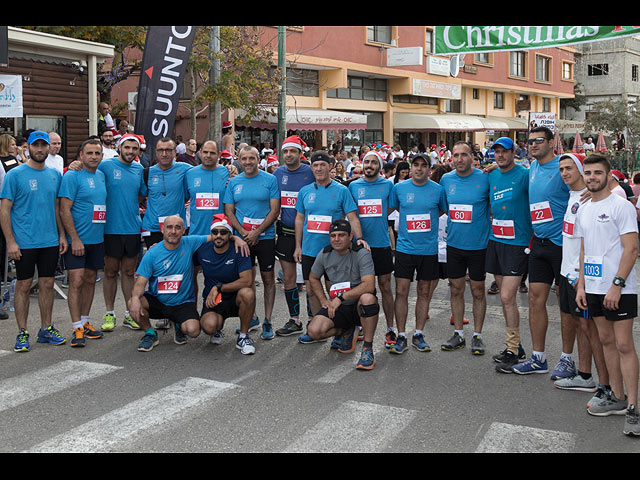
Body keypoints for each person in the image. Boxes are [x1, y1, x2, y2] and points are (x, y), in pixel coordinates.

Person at [575, 153, 640, 436]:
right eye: (588, 173)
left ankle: (634, 409)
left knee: (624, 344)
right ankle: (617, 396)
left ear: (608, 175)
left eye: (597, 173)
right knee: (605, 340)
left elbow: (632, 249)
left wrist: (617, 284)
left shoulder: (621, 206)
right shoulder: (584, 207)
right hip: (593, 286)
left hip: (619, 288)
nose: (592, 178)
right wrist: (581, 285)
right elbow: (584, 248)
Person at [0, 131, 68, 352]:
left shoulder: (55, 175)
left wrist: (61, 235)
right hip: (24, 242)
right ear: (27, 148)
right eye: (35, 145)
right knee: (23, 286)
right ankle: (22, 332)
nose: (40, 149)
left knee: (48, 284)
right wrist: (10, 241)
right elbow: (5, 210)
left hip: (49, 240)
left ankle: (46, 329)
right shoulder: (15, 175)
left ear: (49, 148)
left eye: (43, 146)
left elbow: (57, 208)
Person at [512, 127, 571, 375]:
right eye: (530, 141)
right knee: (535, 299)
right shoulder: (532, 168)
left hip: (562, 245)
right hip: (539, 243)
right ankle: (539, 358)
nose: (533, 145)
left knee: (565, 303)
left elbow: (584, 187)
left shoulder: (562, 167)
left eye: (538, 141)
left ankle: (567, 359)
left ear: (550, 142)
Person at [294, 150, 368, 343]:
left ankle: (341, 326)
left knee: (336, 290)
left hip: (336, 251)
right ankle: (317, 321)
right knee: (311, 289)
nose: (319, 168)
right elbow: (300, 219)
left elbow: (352, 216)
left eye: (322, 165)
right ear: (311, 168)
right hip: (310, 250)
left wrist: (359, 239)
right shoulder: (305, 191)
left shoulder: (342, 190)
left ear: (330, 167)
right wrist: (297, 246)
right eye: (315, 165)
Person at [553, 153, 609, 397]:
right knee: (580, 325)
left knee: (592, 330)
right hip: (567, 273)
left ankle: (606, 384)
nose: (565, 173)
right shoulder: (572, 196)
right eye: (562, 169)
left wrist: (581, 276)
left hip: (581, 276)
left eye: (570, 168)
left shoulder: (590, 197)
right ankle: (585, 375)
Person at [387, 154, 447, 354]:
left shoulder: (438, 190)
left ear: (429, 169)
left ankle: (419, 333)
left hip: (428, 250)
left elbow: (441, 211)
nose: (419, 169)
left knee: (423, 293)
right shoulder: (399, 188)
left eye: (424, 165)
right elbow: (390, 210)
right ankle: (402, 335)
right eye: (416, 165)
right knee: (401, 292)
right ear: (410, 168)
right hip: (404, 249)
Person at [128, 215, 213, 352]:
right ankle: (150, 333)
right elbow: (140, 283)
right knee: (133, 302)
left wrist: (237, 238)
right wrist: (136, 298)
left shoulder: (190, 242)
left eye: (177, 227)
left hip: (183, 303)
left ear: (184, 230)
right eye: (169, 227)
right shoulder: (152, 253)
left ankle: (178, 325)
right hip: (159, 302)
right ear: (162, 230)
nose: (173, 231)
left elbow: (216, 236)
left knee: (193, 331)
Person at [484, 138, 532, 372]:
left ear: (514, 152)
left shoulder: (524, 175)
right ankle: (515, 346)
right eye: (497, 152)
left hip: (518, 243)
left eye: (505, 152)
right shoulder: (491, 175)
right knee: (507, 300)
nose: (500, 156)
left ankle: (514, 348)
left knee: (506, 297)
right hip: (496, 241)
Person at [306, 219, 379, 370]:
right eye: (333, 235)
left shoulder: (361, 253)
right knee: (314, 331)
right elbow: (313, 278)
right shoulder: (325, 253)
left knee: (368, 298)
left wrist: (340, 298)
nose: (337, 239)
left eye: (341, 235)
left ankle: (367, 349)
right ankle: (347, 330)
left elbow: (369, 285)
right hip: (338, 305)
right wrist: (323, 300)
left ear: (350, 236)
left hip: (357, 304)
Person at [439, 141, 491, 355]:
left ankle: (477, 335)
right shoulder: (446, 179)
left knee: (478, 291)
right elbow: (441, 207)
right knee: (456, 289)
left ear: (472, 157)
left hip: (479, 245)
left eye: (463, 155)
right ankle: (458, 333)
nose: (459, 159)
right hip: (454, 245)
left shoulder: (485, 178)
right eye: (455, 155)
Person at [223, 145, 280, 337]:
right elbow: (229, 211)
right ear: (239, 159)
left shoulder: (270, 180)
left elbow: (274, 210)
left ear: (258, 159)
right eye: (244, 158)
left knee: (268, 278)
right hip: (241, 239)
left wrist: (257, 232)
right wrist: (243, 232)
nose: (247, 162)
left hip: (265, 237)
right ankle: (251, 317)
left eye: (251, 158)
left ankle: (268, 321)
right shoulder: (234, 182)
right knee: (246, 280)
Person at [58, 138, 106, 347]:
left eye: (97, 153)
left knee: (90, 280)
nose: (93, 157)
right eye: (89, 153)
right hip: (77, 240)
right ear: (81, 156)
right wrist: (74, 238)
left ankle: (85, 322)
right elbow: (63, 209)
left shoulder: (102, 175)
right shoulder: (72, 175)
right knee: (76, 282)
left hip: (97, 239)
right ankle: (76, 326)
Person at [97, 133, 147, 331]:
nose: (130, 152)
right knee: (110, 272)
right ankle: (109, 314)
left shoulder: (139, 169)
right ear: (120, 147)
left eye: (134, 148)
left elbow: (142, 194)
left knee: (128, 272)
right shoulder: (106, 166)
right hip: (110, 228)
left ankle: (129, 313)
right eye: (127, 147)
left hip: (132, 228)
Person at [348, 151, 395, 348]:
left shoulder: (388, 185)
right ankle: (359, 325)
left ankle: (390, 329)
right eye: (367, 162)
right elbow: (350, 213)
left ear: (380, 166)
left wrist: (378, 220)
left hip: (381, 244)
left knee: (385, 287)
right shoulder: (353, 186)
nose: (369, 165)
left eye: (374, 162)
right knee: (359, 288)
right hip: (359, 246)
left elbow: (390, 208)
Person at [196, 214, 256, 355]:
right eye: (215, 232)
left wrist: (219, 287)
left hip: (235, 299)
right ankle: (218, 327)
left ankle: (243, 337)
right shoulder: (202, 250)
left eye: (223, 232)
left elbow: (247, 280)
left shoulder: (240, 249)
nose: (219, 235)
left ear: (230, 234)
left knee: (248, 293)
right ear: (210, 234)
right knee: (208, 327)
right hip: (214, 301)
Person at [273, 135, 314, 338]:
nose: (288, 155)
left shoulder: (310, 171)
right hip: (286, 233)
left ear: (300, 153)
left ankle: (313, 320)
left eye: (292, 151)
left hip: (310, 234)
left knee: (311, 279)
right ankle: (294, 320)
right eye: (285, 151)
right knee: (289, 278)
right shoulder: (278, 173)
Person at [140, 137, 192, 249]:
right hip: (153, 228)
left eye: (168, 150)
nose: (164, 154)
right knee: (155, 263)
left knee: (176, 264)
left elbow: (205, 171)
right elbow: (140, 197)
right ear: (156, 152)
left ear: (175, 152)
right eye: (160, 150)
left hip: (176, 228)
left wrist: (229, 169)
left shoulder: (186, 169)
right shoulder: (147, 172)